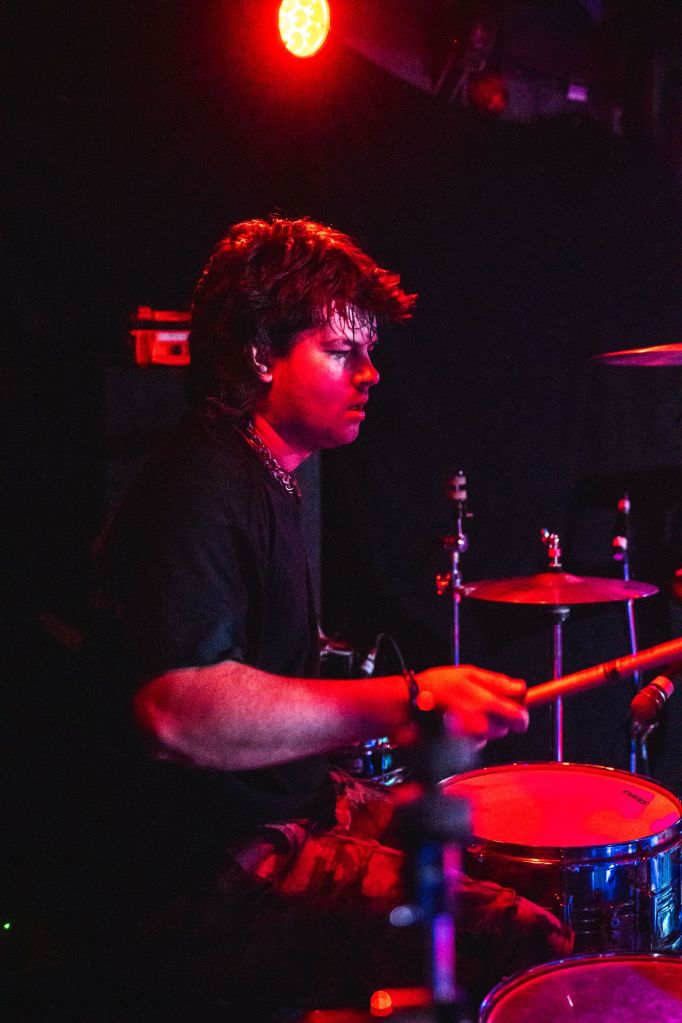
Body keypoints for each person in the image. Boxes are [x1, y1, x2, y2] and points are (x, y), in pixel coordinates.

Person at [85, 217, 572, 1020]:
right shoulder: (200, 484)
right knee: (524, 937)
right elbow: (174, 711)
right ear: (260, 354)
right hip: (205, 877)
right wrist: (408, 700)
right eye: (343, 352)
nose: (370, 373)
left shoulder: (269, 474)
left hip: (284, 807)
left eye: (368, 352)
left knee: (518, 859)